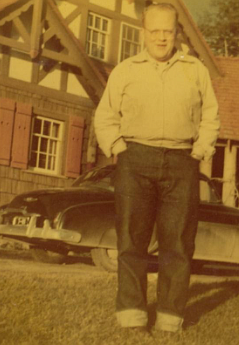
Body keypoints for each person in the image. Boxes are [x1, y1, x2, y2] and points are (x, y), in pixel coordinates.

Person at [94, 3, 220, 333]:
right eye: (155, 31)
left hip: (182, 163)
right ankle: (132, 315)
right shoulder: (126, 70)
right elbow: (105, 117)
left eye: (168, 31)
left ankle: (169, 318)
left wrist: (198, 152)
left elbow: (211, 117)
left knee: (178, 244)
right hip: (135, 160)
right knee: (131, 240)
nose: (162, 38)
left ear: (177, 33)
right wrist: (120, 149)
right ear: (143, 33)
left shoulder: (196, 71)